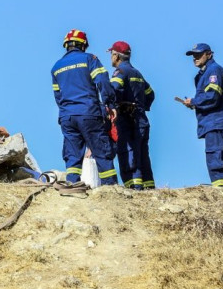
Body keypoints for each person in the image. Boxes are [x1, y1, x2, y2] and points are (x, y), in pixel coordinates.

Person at [51, 29, 118, 185]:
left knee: (72, 153)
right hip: (89, 113)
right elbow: (102, 81)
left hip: (67, 116)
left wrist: (66, 111)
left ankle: (72, 184)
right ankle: (111, 188)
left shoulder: (56, 67)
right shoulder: (90, 59)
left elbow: (58, 96)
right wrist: (110, 103)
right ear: (83, 45)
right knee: (101, 151)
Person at [182, 43, 223, 187]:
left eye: (198, 55)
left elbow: (212, 95)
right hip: (219, 122)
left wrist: (194, 101)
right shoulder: (204, 73)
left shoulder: (213, 70)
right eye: (193, 55)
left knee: (218, 159)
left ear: (209, 54)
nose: (195, 58)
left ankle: (222, 191)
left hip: (217, 123)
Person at [108, 41, 156, 190]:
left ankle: (134, 191)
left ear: (116, 55)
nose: (111, 57)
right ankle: (149, 190)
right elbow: (151, 94)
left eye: (111, 54)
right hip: (141, 121)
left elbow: (112, 90)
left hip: (128, 122)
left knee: (129, 156)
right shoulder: (138, 74)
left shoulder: (120, 72)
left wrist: (111, 106)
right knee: (142, 157)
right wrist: (142, 107)